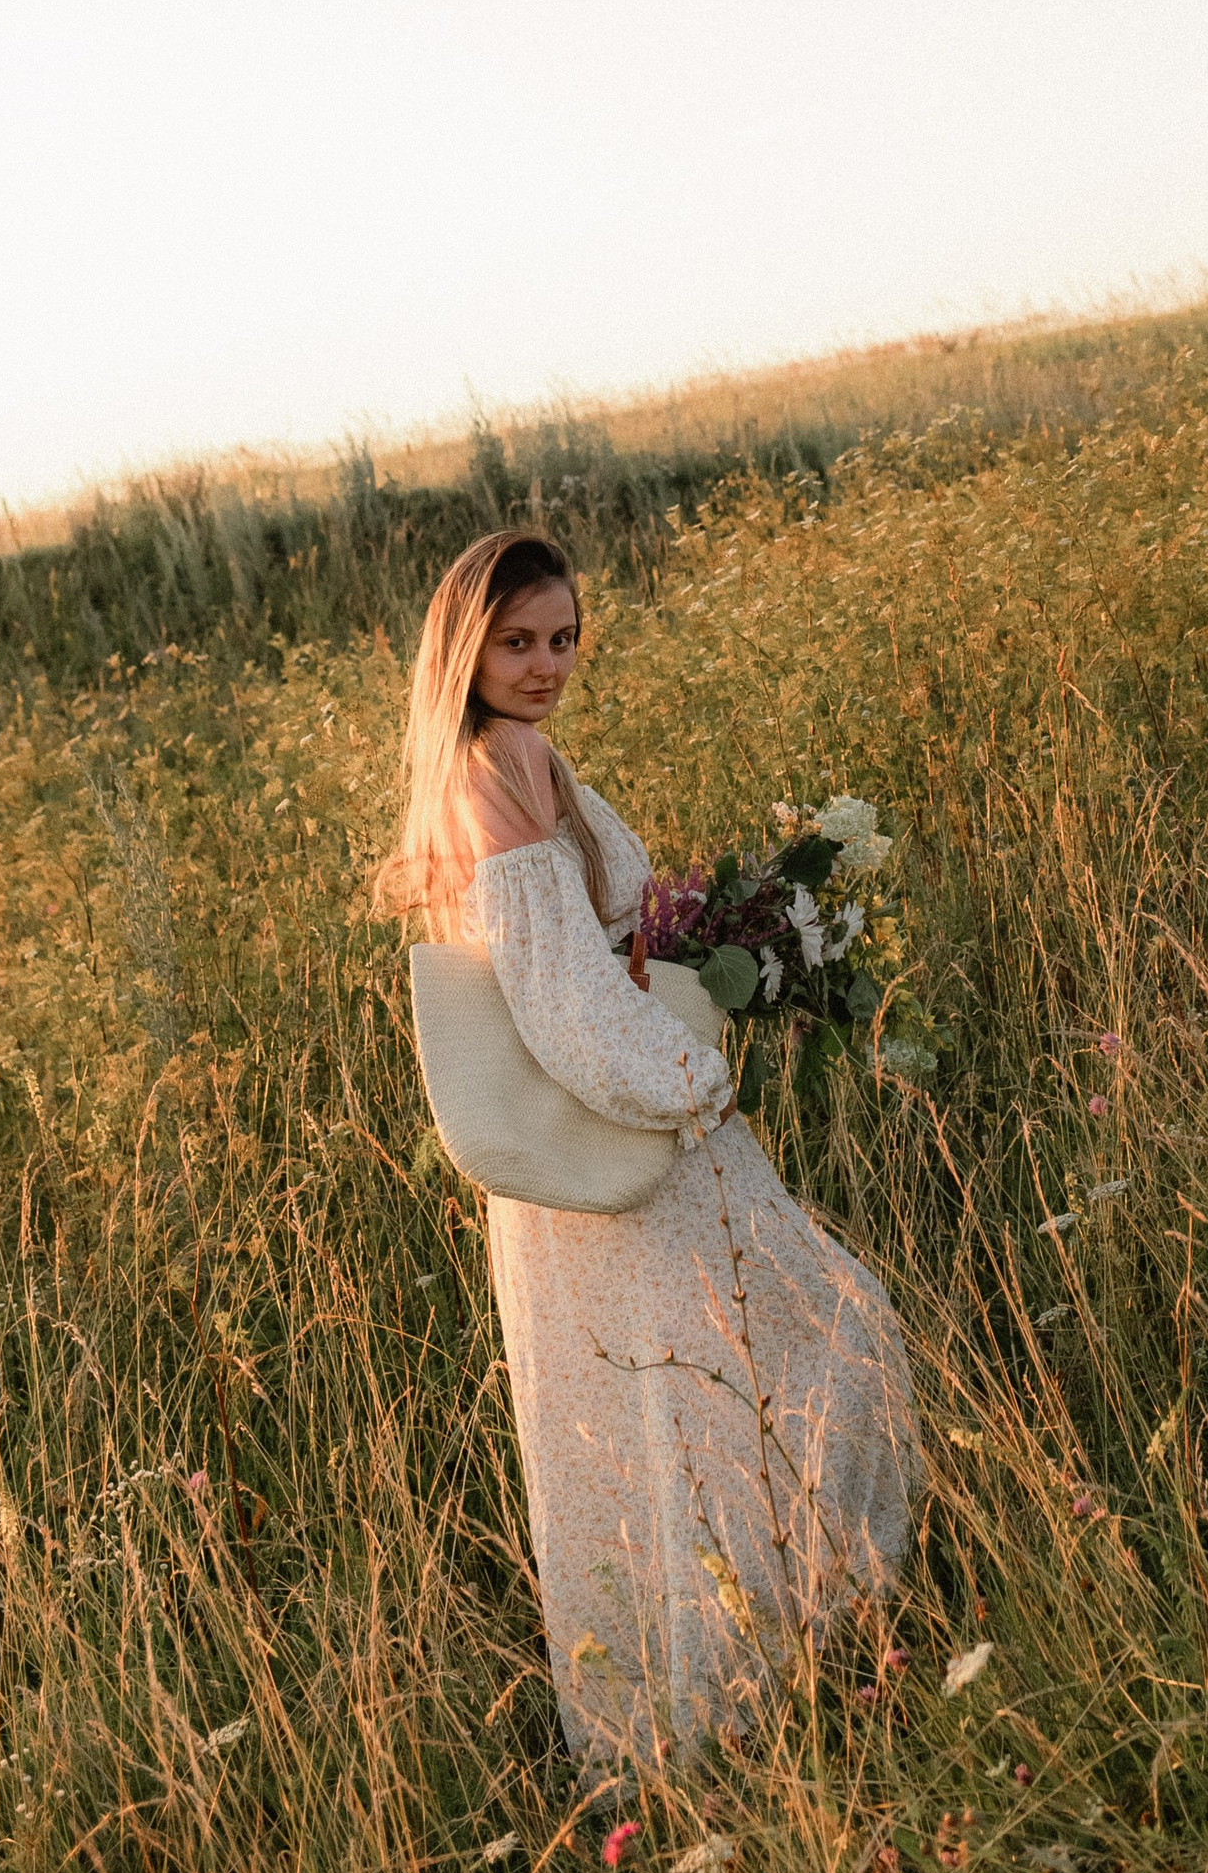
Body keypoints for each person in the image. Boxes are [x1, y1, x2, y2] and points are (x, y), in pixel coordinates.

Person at [373, 528, 920, 1778]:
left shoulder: (511, 760)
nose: (547, 664)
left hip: (608, 1144)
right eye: (518, 641)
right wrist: (693, 1085)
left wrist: (739, 945)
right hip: (628, 1135)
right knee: (789, 1351)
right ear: (466, 650)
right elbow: (560, 997)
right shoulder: (495, 770)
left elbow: (599, 951)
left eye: (564, 639)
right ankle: (742, 1689)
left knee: (688, 1397)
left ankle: (736, 1687)